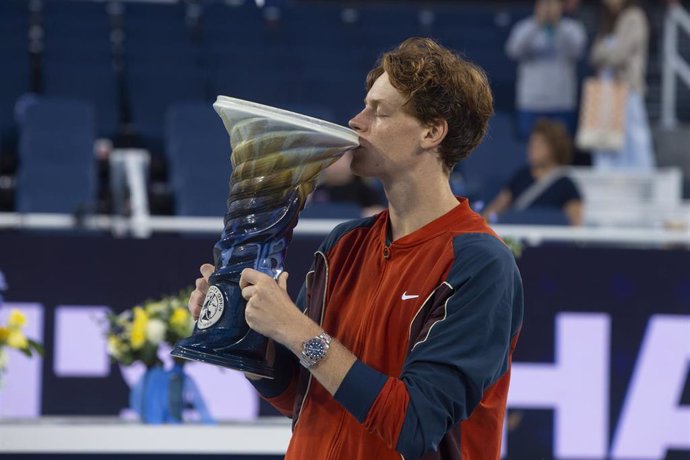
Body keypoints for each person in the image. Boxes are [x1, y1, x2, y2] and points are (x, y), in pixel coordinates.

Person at [189, 38, 523, 460]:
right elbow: (303, 395)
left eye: (379, 111)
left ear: (431, 131)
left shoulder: (481, 263)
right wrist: (250, 330)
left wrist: (296, 328)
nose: (356, 121)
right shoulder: (344, 244)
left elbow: (415, 424)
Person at [506, 0, 587, 139]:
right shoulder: (525, 27)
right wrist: (537, 24)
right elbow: (513, 50)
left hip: (561, 103)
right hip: (532, 102)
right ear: (537, 6)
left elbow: (577, 51)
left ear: (560, 7)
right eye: (544, 4)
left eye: (553, 4)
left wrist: (557, 25)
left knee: (561, 146)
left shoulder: (572, 28)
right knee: (533, 149)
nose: (548, 9)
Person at [589, 0, 655, 170]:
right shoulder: (608, 22)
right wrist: (605, 55)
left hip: (627, 87)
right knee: (604, 137)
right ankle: (606, 173)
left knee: (634, 135)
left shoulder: (635, 17)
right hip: (605, 89)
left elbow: (619, 55)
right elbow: (593, 55)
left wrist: (604, 55)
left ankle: (642, 174)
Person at [484, 119, 583, 225]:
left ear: (554, 148)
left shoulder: (566, 185)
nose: (532, 148)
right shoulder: (521, 176)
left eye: (539, 145)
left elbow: (576, 226)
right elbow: (495, 208)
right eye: (531, 144)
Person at [309, 151, 386, 217]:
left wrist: (362, 214)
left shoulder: (364, 190)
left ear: (352, 161)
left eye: (341, 159)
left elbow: (379, 212)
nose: (336, 164)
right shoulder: (318, 190)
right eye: (331, 159)